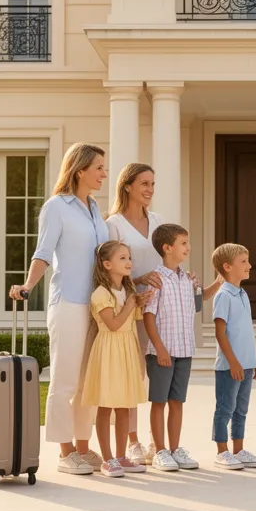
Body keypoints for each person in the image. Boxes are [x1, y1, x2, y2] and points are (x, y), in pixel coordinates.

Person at [8, 142, 111, 475]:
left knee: (88, 382)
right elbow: (44, 252)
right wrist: (28, 285)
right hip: (68, 302)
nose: (103, 173)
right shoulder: (57, 207)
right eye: (98, 167)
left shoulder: (95, 208)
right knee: (65, 380)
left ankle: (83, 446)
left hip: (96, 305)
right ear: (80, 169)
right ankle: (66, 452)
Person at [142, 223, 223, 471]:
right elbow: (148, 316)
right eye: (184, 243)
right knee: (159, 401)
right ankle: (160, 450)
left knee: (177, 401)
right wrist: (160, 348)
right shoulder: (156, 280)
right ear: (167, 248)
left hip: (184, 350)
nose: (188, 247)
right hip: (162, 353)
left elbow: (200, 302)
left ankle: (175, 449)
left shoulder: (187, 279)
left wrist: (219, 281)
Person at [103, 162, 167, 465]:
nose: (149, 190)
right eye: (144, 183)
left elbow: (168, 261)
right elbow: (111, 269)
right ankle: (133, 441)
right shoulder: (113, 224)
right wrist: (138, 281)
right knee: (133, 374)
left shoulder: (158, 221)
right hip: (131, 309)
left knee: (158, 373)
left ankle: (159, 443)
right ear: (127, 185)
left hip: (161, 308)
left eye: (152, 184)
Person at [79, 240, 153, 477]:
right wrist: (132, 302)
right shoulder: (101, 293)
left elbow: (134, 319)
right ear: (107, 264)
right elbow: (113, 324)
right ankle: (108, 459)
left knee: (125, 406)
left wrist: (142, 302)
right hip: (109, 351)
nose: (128, 262)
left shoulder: (127, 291)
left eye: (129, 257)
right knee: (106, 404)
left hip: (127, 349)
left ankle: (121, 457)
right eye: (122, 258)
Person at [210, 243, 256, 471]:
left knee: (241, 409)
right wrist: (233, 361)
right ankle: (222, 452)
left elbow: (246, 330)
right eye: (243, 262)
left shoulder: (242, 293)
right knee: (225, 408)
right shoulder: (223, 296)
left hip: (246, 364)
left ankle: (238, 449)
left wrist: (255, 360)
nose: (249, 265)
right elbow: (220, 332)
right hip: (229, 366)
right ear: (227, 266)